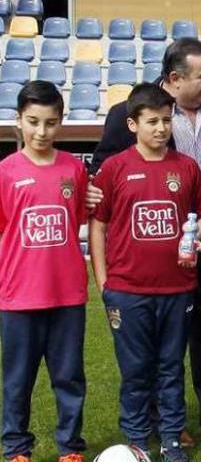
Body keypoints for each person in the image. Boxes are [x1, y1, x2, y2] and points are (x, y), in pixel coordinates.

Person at [89, 38, 201, 442]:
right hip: (155, 251)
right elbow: (102, 176)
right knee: (159, 343)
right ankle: (166, 420)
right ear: (174, 79)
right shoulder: (128, 113)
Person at [89, 83, 201, 462]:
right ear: (132, 124)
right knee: (135, 370)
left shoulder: (186, 167)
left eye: (166, 120)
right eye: (152, 121)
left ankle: (172, 438)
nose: (161, 128)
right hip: (127, 291)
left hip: (177, 288)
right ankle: (137, 439)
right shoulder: (114, 168)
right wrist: (103, 280)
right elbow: (98, 225)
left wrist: (194, 238)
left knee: (171, 367)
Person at [0, 81, 88, 462]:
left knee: (69, 377)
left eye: (50, 123)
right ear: (18, 121)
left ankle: (70, 447)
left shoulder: (74, 168)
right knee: (18, 380)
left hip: (68, 294)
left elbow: (81, 217)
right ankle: (17, 447)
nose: (41, 132)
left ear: (61, 122)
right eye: (33, 122)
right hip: (19, 297)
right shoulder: (4, 172)